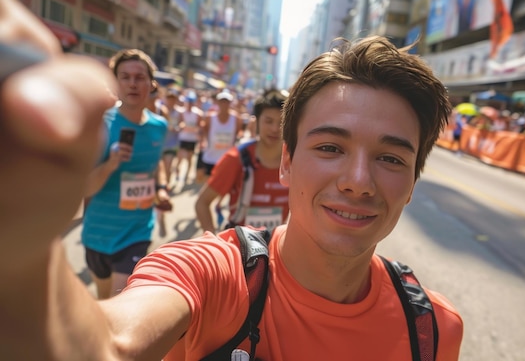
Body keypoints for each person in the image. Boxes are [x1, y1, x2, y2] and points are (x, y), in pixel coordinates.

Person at [1, 25, 463, 359]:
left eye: (391, 158)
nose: (357, 181)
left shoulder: (433, 329)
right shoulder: (209, 276)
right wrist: (18, 252)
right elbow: (109, 345)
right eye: (329, 147)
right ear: (287, 160)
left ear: (412, 182)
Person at [80, 48, 172, 299]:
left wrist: (161, 188)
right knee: (103, 301)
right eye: (125, 77)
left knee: (120, 302)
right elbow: (85, 188)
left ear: (151, 84)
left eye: (139, 77)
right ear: (116, 82)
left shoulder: (159, 126)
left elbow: (156, 165)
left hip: (137, 232)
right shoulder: (101, 123)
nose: (133, 83)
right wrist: (110, 164)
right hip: (98, 234)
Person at [195, 89, 289, 233]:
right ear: (256, 122)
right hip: (239, 249)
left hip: (277, 249)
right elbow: (202, 203)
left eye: (282, 122)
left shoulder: (295, 161)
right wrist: (213, 243)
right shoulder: (236, 158)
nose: (275, 128)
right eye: (268, 121)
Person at [195, 88, 242, 184]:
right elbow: (203, 131)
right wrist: (202, 142)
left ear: (230, 103)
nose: (224, 104)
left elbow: (237, 134)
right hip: (210, 156)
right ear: (218, 103)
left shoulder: (236, 118)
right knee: (207, 183)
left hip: (226, 159)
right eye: (222, 102)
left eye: (226, 102)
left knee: (222, 184)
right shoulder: (210, 117)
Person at [174, 90, 203, 185]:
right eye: (188, 102)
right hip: (183, 138)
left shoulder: (198, 113)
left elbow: (200, 126)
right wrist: (181, 126)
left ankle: (186, 176)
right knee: (180, 158)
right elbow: (179, 123)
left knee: (190, 159)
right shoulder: (182, 112)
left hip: (192, 139)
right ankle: (177, 175)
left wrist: (197, 132)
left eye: (191, 102)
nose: (189, 104)